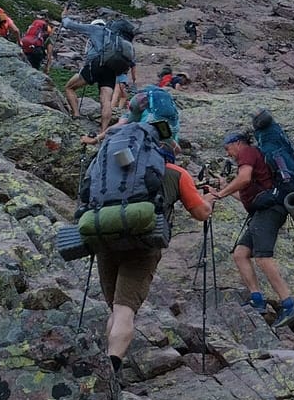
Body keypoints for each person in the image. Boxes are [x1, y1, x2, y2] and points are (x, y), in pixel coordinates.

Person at [89, 136, 212, 375]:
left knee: (115, 309)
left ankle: (106, 365)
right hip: (143, 246)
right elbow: (200, 213)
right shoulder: (176, 173)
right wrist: (209, 199)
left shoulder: (116, 170)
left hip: (105, 237)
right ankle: (110, 373)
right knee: (125, 310)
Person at [210, 130, 294, 328]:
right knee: (241, 253)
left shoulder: (247, 152)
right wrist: (222, 189)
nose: (228, 154)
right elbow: (246, 197)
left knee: (262, 257)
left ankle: (289, 303)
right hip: (262, 210)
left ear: (237, 143)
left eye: (228, 149)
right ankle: (257, 300)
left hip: (269, 210)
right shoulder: (251, 156)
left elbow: (243, 179)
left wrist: (219, 195)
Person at [61, 17, 134, 133]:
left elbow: (70, 24)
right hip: (111, 70)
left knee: (69, 87)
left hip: (96, 64)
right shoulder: (119, 40)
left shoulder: (96, 29)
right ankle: (103, 131)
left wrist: (64, 17)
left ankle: (76, 115)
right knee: (106, 101)